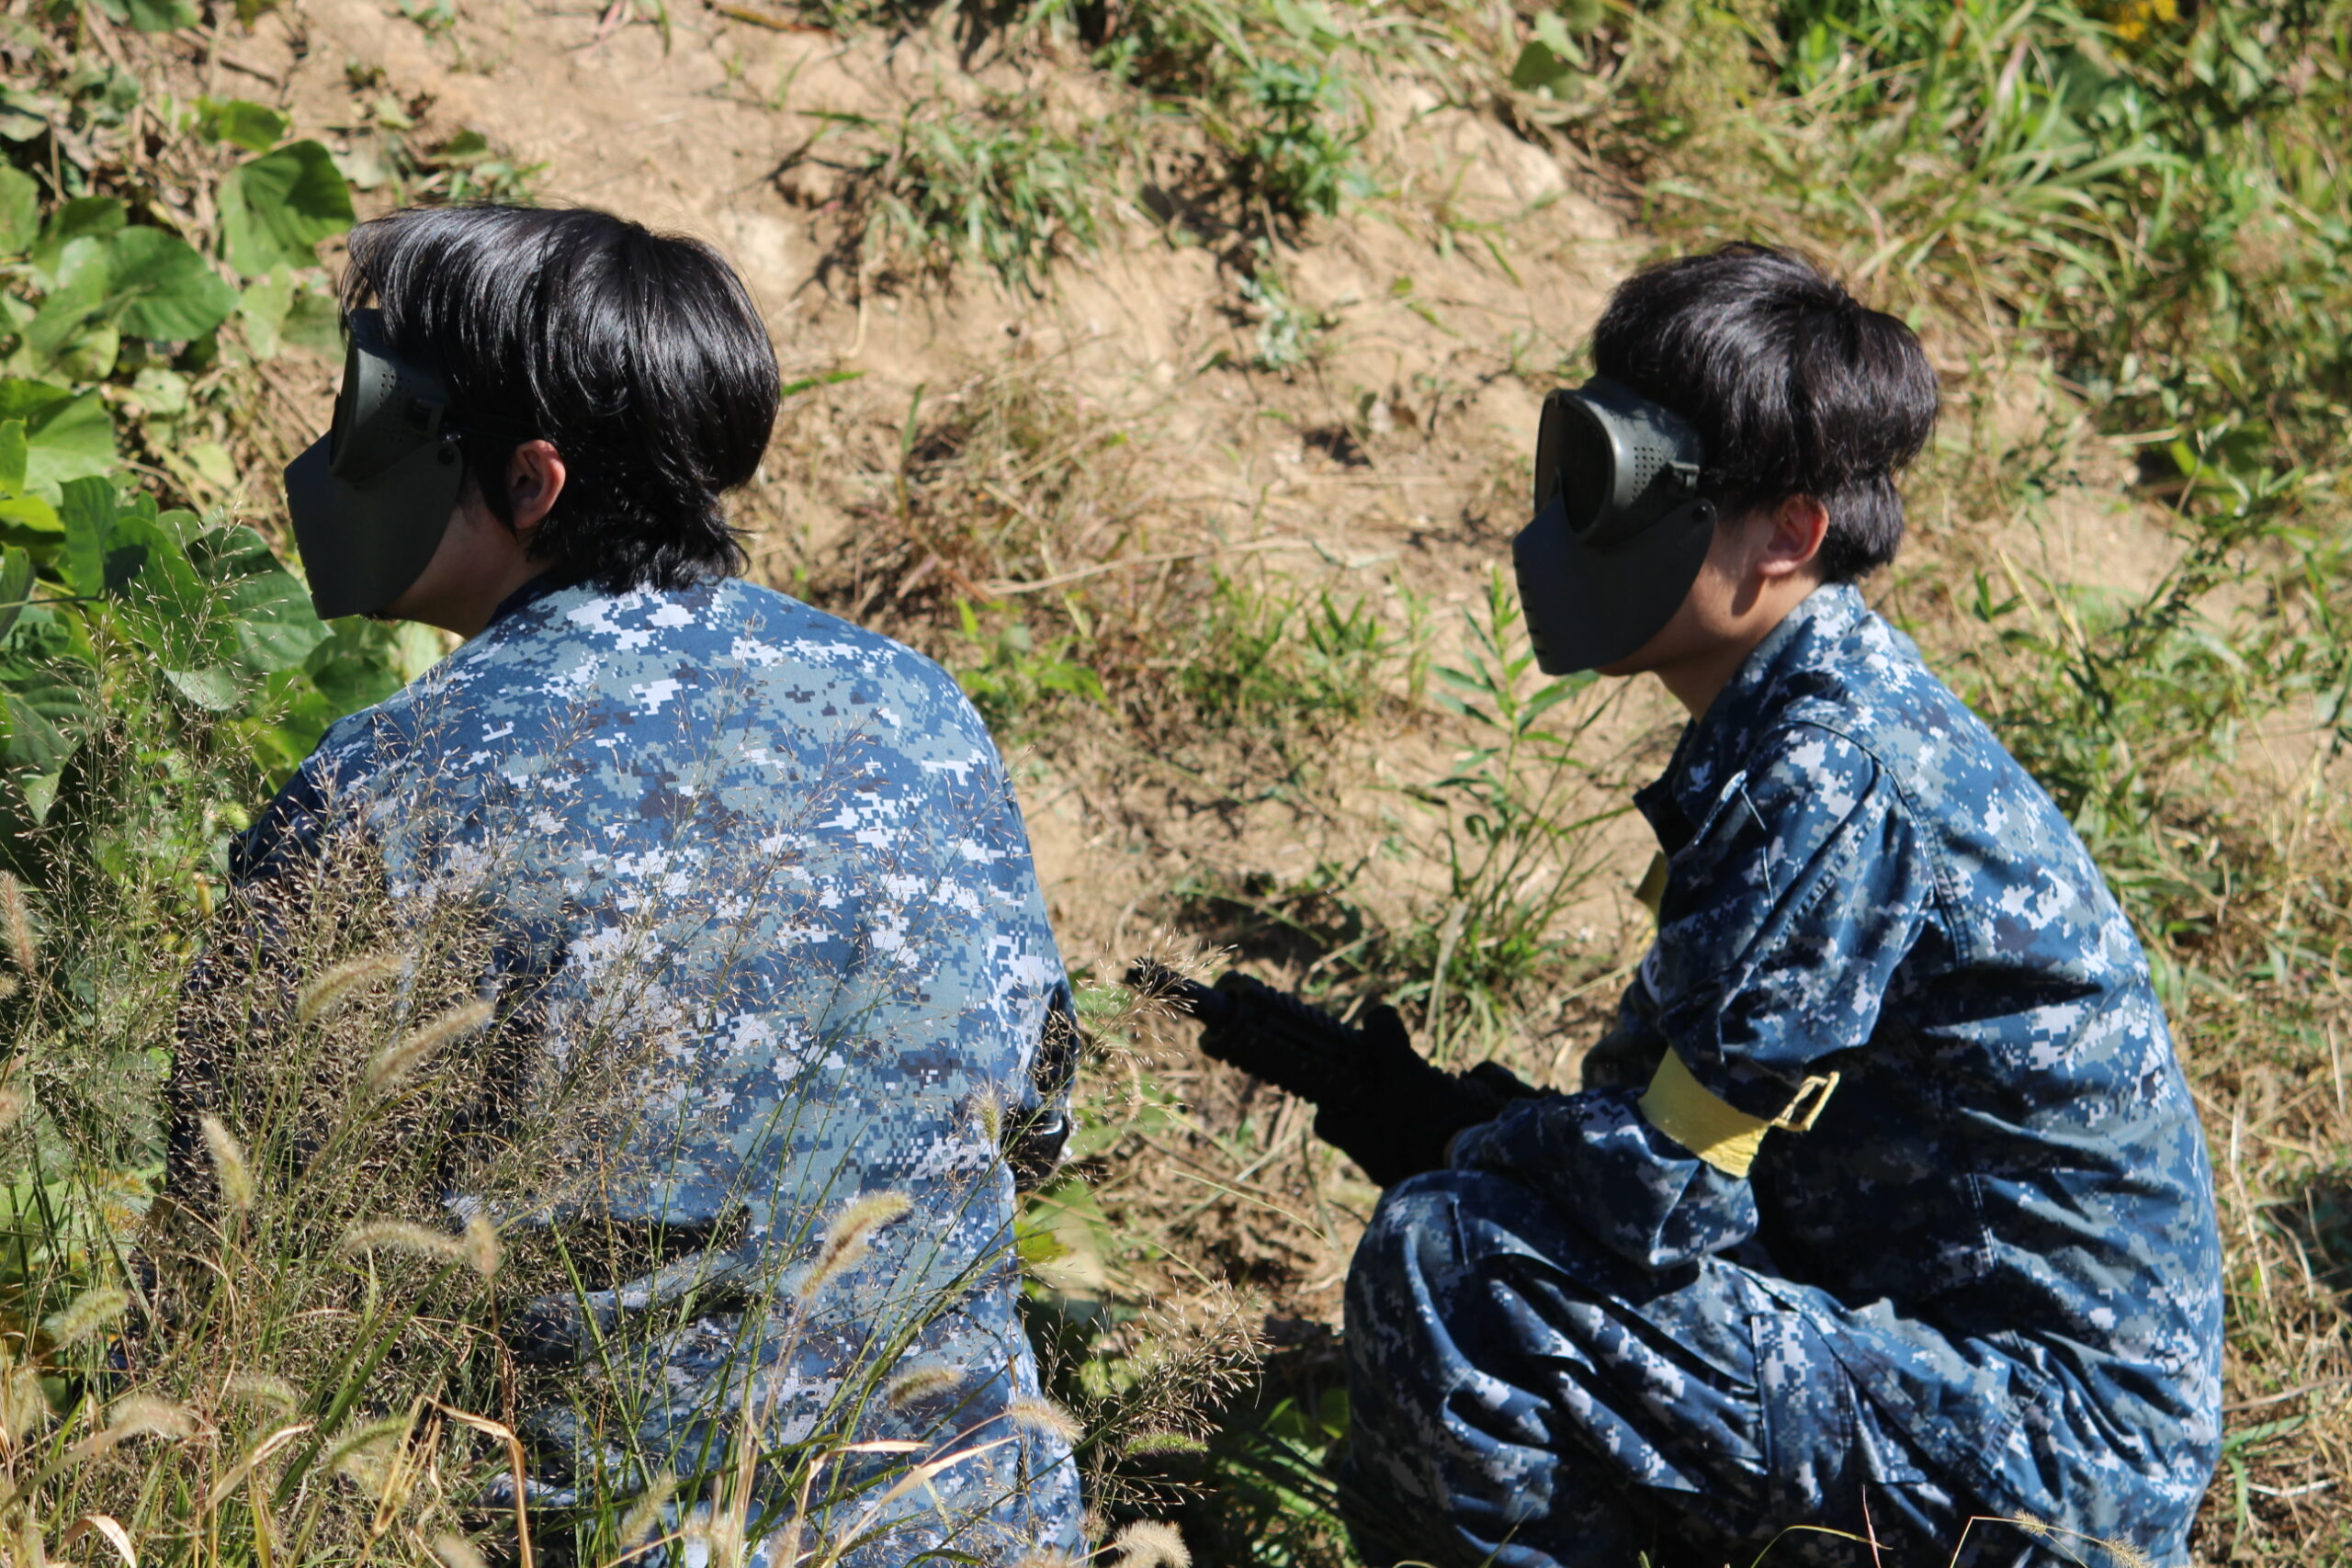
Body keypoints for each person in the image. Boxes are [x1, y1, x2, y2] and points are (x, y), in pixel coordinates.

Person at [1186, 245, 2222, 1565]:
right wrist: (1464, 1119)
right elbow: (1678, 1130)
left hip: (2051, 1461)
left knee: (1455, 1266)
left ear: (1789, 534)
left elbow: (1659, 1203)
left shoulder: (1831, 773)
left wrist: (1466, 1143)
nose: (1580, 524)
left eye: (1624, 485)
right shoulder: (1791, 725)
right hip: (1951, 1368)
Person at [166, 205, 1083, 1563]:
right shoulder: (918, 706)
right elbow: (1035, 1119)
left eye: (381, 420)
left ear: (532, 483)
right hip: (969, 1526)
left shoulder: (392, 780)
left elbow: (227, 1242)